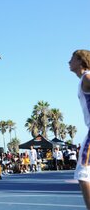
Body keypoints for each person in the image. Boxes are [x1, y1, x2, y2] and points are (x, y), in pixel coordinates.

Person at [69, 49, 90, 209]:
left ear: (80, 61)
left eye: (72, 58)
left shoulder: (87, 77)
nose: (69, 61)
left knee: (83, 174)